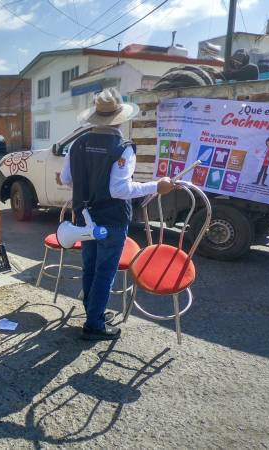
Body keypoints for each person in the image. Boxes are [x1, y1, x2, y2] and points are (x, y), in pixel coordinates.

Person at [58, 88, 175, 341]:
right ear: (120, 118)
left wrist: (87, 187)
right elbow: (119, 189)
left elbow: (66, 179)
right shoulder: (122, 147)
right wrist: (157, 185)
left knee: (90, 266)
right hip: (111, 219)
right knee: (105, 271)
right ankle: (94, 323)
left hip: (84, 217)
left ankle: (93, 312)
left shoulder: (78, 144)